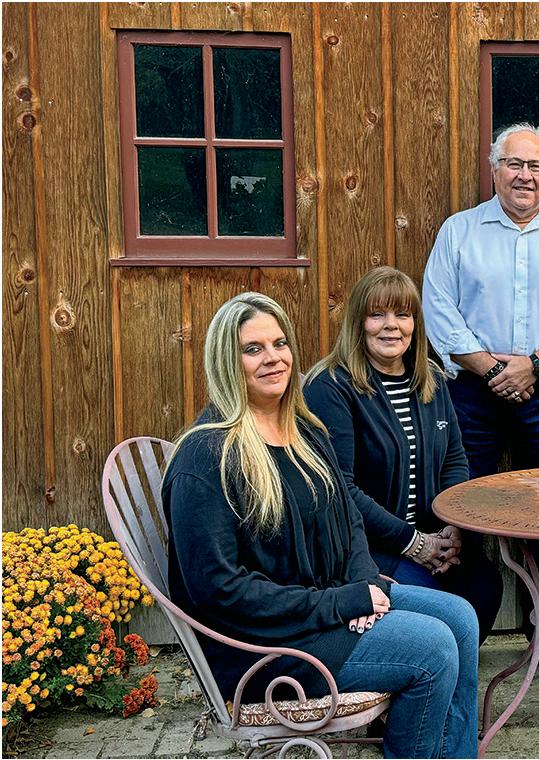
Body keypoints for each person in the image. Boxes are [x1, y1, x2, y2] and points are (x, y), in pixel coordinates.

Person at [163, 292, 479, 758]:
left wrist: (364, 583)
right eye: (252, 349)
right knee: (431, 648)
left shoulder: (303, 430)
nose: (273, 358)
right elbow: (219, 589)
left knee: (461, 619)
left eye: (279, 344)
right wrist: (341, 603)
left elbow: (348, 520)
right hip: (267, 646)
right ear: (225, 361)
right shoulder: (207, 458)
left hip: (325, 602)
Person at [422, 122, 539, 681]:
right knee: (465, 507)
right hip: (471, 393)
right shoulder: (460, 231)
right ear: (494, 168)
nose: (525, 175)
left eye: (536, 166)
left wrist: (534, 365)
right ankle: (461, 630)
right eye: (514, 164)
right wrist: (494, 369)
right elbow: (439, 311)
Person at [303, 266, 504, 643]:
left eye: (403, 314)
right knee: (438, 611)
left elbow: (454, 459)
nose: (391, 325)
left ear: (415, 323)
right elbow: (341, 490)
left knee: (485, 588)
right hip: (367, 550)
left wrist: (451, 528)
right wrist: (413, 543)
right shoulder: (331, 387)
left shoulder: (431, 379)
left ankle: (447, 681)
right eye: (377, 314)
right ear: (358, 322)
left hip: (433, 538)